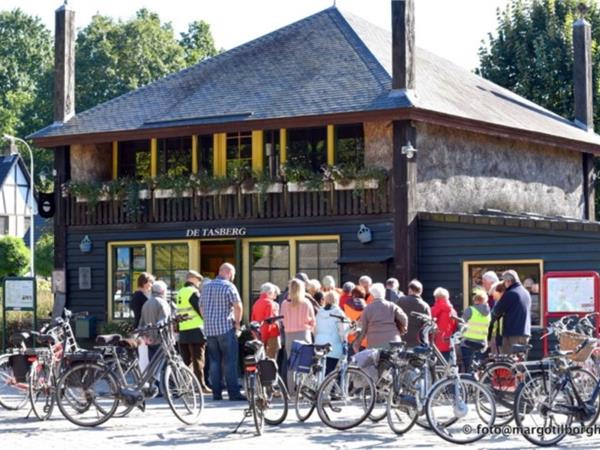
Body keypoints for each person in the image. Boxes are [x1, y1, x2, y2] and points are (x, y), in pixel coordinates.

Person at [199, 262, 245, 401]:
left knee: (214, 362)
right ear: (229, 273)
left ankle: (216, 393)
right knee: (230, 362)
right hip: (225, 328)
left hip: (210, 330)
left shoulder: (206, 287)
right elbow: (238, 306)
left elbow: (200, 306)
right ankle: (233, 393)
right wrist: (237, 323)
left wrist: (207, 319)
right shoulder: (228, 286)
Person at [176, 270, 210, 394]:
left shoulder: (180, 292)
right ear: (193, 279)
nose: (199, 283)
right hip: (196, 330)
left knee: (186, 361)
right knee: (198, 360)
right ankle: (201, 386)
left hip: (184, 330)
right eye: (199, 280)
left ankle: (185, 386)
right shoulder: (193, 292)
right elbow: (200, 309)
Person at [281, 279, 316, 391]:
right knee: (305, 364)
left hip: (289, 335)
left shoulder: (284, 304)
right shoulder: (306, 303)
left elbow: (281, 320)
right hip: (303, 334)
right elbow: (313, 321)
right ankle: (306, 389)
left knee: (291, 364)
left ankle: (291, 391)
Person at [353, 283, 407, 352]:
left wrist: (357, 344)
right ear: (384, 293)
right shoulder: (392, 306)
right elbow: (404, 318)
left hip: (374, 343)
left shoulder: (367, 309)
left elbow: (363, 329)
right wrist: (403, 330)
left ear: (372, 295)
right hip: (393, 341)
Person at [492, 270, 532, 355]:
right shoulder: (526, 292)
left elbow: (496, 311)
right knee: (520, 363)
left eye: (505, 282)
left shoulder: (511, 293)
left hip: (512, 334)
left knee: (508, 363)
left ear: (509, 281)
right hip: (525, 333)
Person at [314, 291, 347, 374]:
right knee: (331, 374)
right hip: (333, 347)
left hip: (319, 345)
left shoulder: (319, 312)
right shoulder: (338, 313)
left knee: (320, 373)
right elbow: (342, 331)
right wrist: (345, 341)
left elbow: (315, 329)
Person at [139, 280, 172, 363]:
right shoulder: (163, 303)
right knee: (161, 368)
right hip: (161, 341)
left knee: (152, 365)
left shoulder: (146, 303)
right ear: (163, 291)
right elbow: (163, 323)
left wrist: (146, 338)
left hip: (149, 340)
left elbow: (141, 324)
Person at [461, 288, 491, 372]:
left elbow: (461, 324)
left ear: (475, 300)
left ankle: (468, 384)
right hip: (481, 343)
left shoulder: (470, 310)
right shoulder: (489, 313)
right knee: (477, 368)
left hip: (468, 343)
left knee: (468, 367)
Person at [251, 282, 281, 360]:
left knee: (261, 359)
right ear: (269, 292)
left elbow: (253, 320)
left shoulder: (256, 303)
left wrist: (257, 336)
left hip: (259, 334)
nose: (275, 295)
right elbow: (269, 322)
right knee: (271, 360)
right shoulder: (270, 303)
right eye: (274, 292)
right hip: (270, 335)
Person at [397, 279, 431, 347]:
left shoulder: (401, 300)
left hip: (402, 338)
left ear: (410, 289)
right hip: (417, 340)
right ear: (421, 291)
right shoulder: (425, 305)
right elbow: (428, 324)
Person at [430, 287, 457, 361]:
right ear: (447, 298)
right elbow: (454, 327)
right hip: (448, 342)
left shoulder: (432, 310)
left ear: (436, 298)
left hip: (434, 342)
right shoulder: (452, 311)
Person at [343, 285, 368, 351]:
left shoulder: (346, 306)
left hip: (351, 339)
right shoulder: (368, 308)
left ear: (353, 294)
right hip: (364, 340)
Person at [487, 281, 506, 355]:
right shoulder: (497, 302)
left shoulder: (500, 303)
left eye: (493, 294)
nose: (493, 297)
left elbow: (493, 319)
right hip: (496, 335)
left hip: (499, 336)